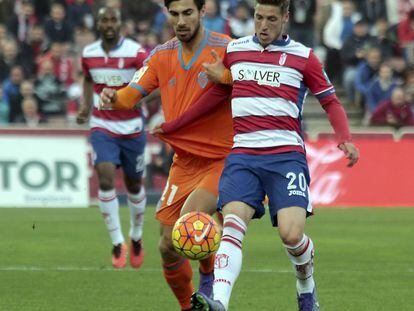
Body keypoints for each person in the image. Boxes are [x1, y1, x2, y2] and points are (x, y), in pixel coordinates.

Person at [154, 1, 359, 310]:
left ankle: (306, 287)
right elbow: (217, 93)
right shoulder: (235, 50)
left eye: (271, 19)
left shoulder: (304, 58)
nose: (263, 25)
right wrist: (177, 124)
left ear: (285, 18)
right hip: (243, 155)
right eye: (259, 17)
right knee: (233, 225)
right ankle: (219, 302)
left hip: (286, 157)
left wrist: (344, 138)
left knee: (291, 236)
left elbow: (330, 101)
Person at [99, 1, 234, 310]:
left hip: (222, 159)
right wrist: (113, 97)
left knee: (187, 224)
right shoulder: (161, 55)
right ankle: (190, 305)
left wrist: (226, 77)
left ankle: (209, 276)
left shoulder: (228, 48)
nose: (181, 20)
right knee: (167, 247)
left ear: (203, 12)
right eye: (175, 14)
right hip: (183, 163)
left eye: (188, 13)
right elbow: (130, 96)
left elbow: (250, 84)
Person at [76, 7, 148, 269]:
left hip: (132, 128)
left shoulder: (136, 52)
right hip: (102, 127)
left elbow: (153, 82)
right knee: (105, 177)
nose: (108, 24)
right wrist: (85, 106)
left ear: (120, 24)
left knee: (133, 185)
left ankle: (136, 236)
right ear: (98, 24)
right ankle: (118, 242)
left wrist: (135, 102)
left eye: (113, 20)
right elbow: (87, 79)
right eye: (104, 20)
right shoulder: (89, 54)